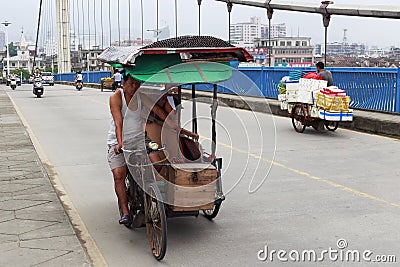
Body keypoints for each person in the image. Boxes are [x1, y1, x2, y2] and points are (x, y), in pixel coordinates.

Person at [107, 73, 177, 225]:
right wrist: (120, 144)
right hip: (119, 141)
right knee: (119, 174)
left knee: (157, 162)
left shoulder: (140, 96)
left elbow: (158, 110)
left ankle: (148, 189)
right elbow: (118, 122)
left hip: (140, 139)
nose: (134, 87)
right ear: (123, 84)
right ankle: (125, 211)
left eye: (137, 83)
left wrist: (173, 126)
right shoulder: (116, 98)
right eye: (131, 83)